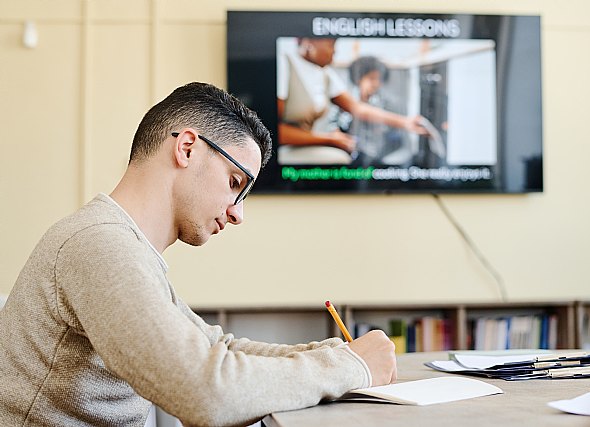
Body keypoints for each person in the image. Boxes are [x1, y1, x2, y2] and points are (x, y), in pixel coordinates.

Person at [0, 82, 397, 426]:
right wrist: (350, 367)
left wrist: (332, 353)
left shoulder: (125, 246)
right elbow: (205, 395)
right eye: (234, 183)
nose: (238, 213)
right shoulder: (98, 245)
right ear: (187, 148)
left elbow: (215, 348)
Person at [277, 37, 428, 165]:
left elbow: (357, 109)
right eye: (332, 45)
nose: (335, 51)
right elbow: (271, 130)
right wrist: (329, 139)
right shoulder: (284, 64)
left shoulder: (325, 73)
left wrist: (405, 122)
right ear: (309, 42)